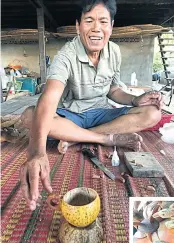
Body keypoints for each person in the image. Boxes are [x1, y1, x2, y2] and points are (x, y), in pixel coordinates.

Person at [20, 0, 163, 211]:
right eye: (89, 21)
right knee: (30, 116)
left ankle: (74, 139)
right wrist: (36, 152)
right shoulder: (66, 56)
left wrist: (135, 100)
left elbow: (114, 90)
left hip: (102, 112)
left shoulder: (114, 51)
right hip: (71, 115)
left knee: (153, 113)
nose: (96, 28)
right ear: (78, 26)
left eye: (103, 21)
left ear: (111, 27)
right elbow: (50, 97)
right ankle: (103, 138)